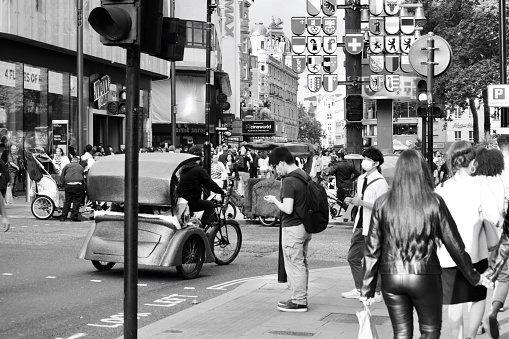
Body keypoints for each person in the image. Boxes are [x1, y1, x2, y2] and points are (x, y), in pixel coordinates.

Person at [361, 149, 493, 339]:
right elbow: (454, 244)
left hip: (392, 276)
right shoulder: (433, 202)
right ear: (422, 171)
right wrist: (474, 276)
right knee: (430, 331)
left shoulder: (383, 203)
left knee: (401, 333)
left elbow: (372, 249)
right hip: (425, 274)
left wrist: (367, 288)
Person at [435, 141, 503, 339]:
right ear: (472, 162)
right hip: (476, 252)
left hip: (448, 255)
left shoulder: (441, 188)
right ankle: (470, 337)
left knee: (454, 302)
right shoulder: (480, 185)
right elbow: (496, 218)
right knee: (478, 295)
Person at [265, 147, 311, 312]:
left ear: (282, 163)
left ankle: (299, 301)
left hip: (293, 227)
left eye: (276, 166)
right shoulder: (304, 175)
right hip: (305, 226)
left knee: (294, 263)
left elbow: (288, 208)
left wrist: (274, 201)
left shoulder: (289, 181)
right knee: (301, 262)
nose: (276, 170)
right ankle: (301, 297)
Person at [342, 146, 388, 302]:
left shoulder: (381, 182)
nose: (365, 162)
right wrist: (352, 202)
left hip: (374, 225)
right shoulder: (361, 179)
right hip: (360, 223)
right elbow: (359, 198)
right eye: (364, 159)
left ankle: (377, 292)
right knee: (353, 257)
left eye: (368, 160)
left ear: (375, 163)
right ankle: (360, 288)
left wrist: (362, 202)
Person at [476, 146, 507, 339]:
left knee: (478, 277)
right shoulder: (498, 183)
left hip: (476, 237)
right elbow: (499, 214)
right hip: (497, 236)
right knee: (503, 277)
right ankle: (494, 310)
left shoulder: (472, 182)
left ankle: (478, 322)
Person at [176, 146, 224, 226]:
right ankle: (203, 227)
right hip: (192, 202)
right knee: (210, 205)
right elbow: (209, 183)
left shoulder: (184, 168)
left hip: (182, 201)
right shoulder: (199, 169)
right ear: (199, 157)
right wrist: (221, 191)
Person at [60, 156, 85, 222]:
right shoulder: (81, 167)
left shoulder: (67, 166)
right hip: (77, 185)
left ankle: (63, 217)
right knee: (76, 201)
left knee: (67, 201)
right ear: (78, 161)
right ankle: (74, 217)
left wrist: (63, 185)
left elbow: (62, 176)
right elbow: (83, 178)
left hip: (68, 185)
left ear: (71, 160)